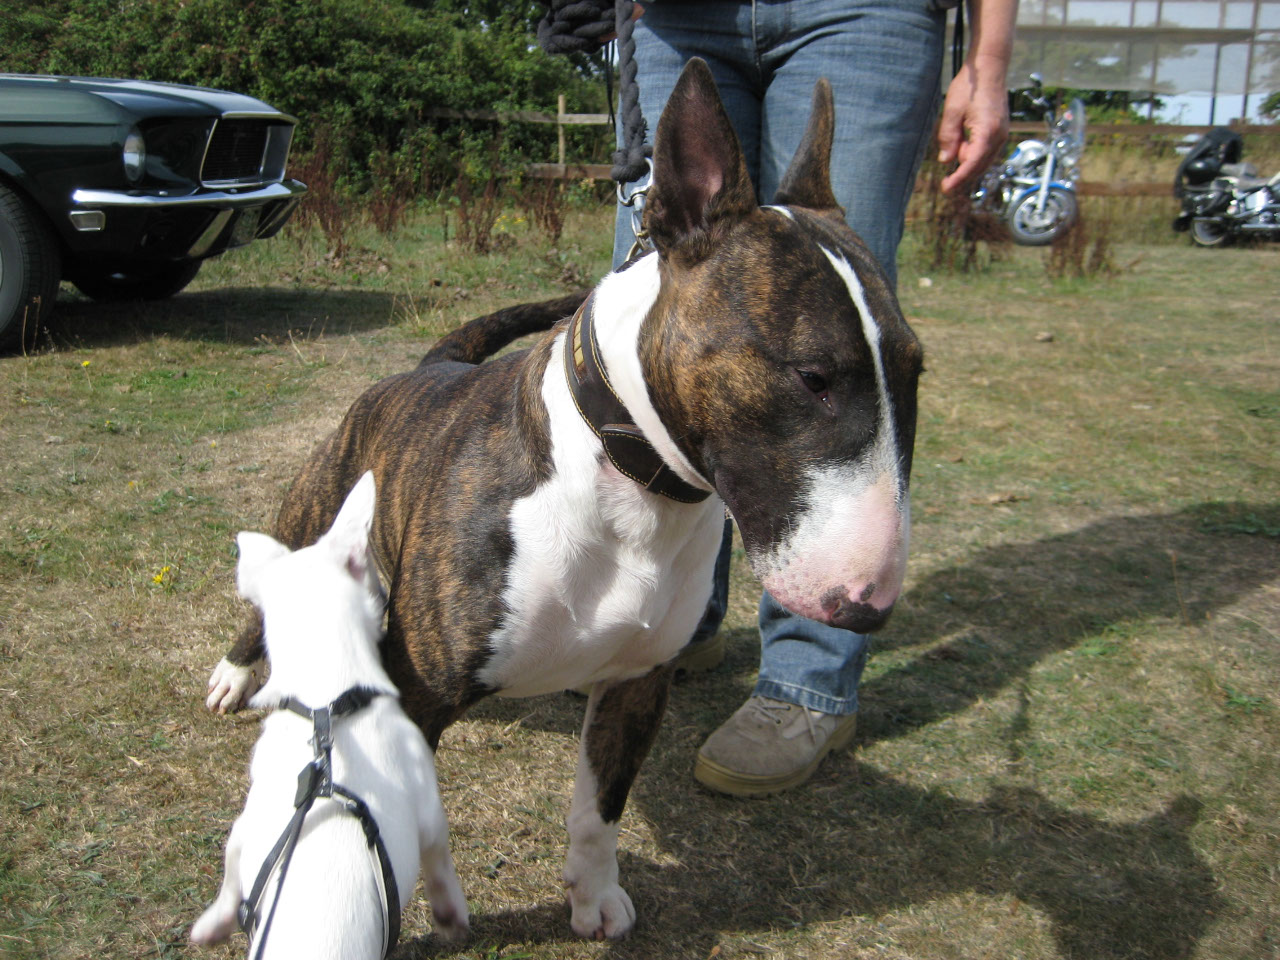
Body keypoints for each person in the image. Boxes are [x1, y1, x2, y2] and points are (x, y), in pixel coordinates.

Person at [609, 0, 1016, 796]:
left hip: (867, 13)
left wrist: (990, 60)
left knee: (841, 337)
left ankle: (808, 682)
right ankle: (675, 618)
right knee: (667, 324)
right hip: (678, 18)